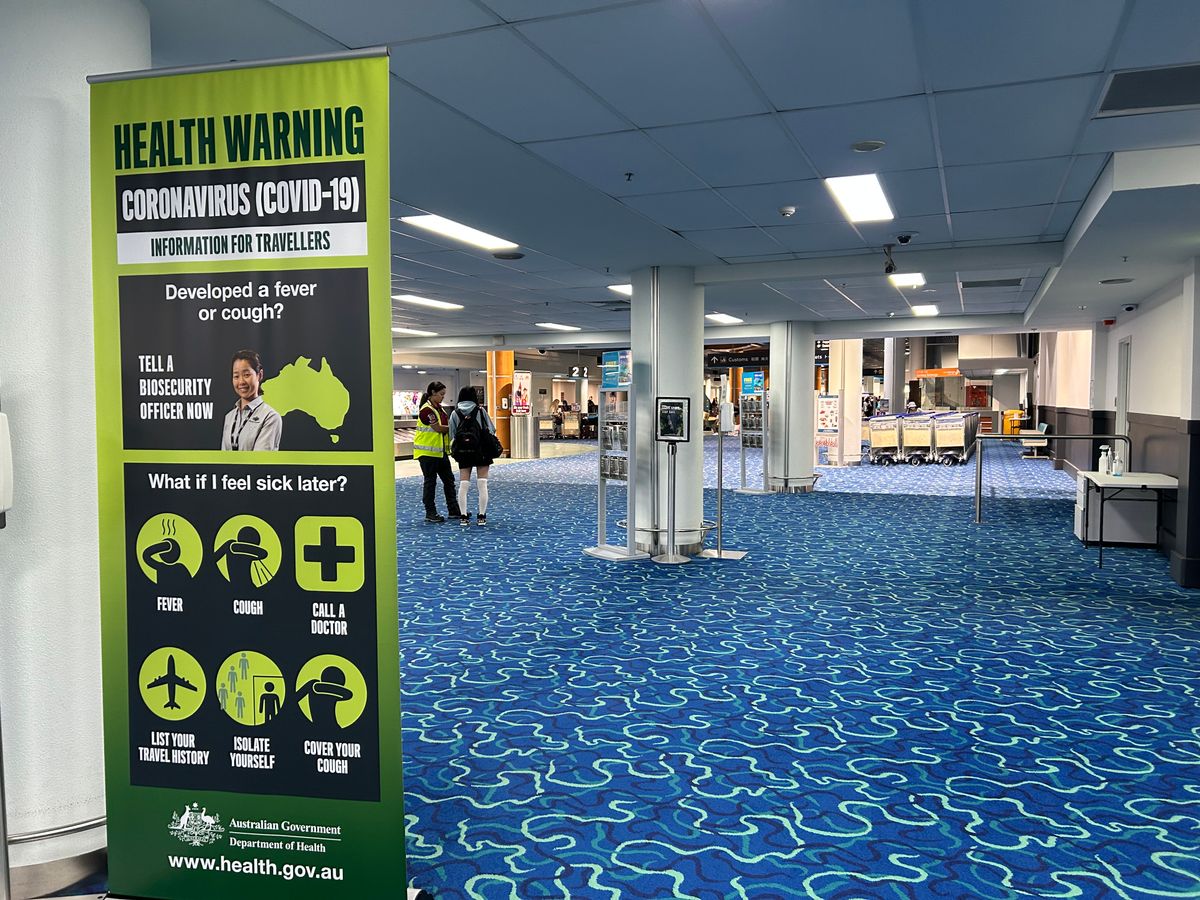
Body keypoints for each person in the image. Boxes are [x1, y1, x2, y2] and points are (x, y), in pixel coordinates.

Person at [413, 381, 463, 523]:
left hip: (440, 453)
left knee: (449, 481)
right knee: (430, 483)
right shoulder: (426, 410)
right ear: (433, 393)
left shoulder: (439, 409)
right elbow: (438, 428)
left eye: (444, 394)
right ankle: (430, 512)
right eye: (441, 394)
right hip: (427, 454)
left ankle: (453, 510)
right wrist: (457, 429)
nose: (443, 397)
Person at [448, 386, 497, 526]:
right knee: (482, 484)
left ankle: (463, 516)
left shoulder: (455, 413)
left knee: (463, 484)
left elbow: (452, 434)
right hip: (482, 451)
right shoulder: (480, 411)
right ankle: (481, 516)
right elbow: (492, 429)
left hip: (463, 452)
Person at [221, 350, 281, 451]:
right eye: (236, 376)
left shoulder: (270, 417)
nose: (241, 381)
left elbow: (260, 459)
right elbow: (223, 456)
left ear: (259, 375)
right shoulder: (229, 417)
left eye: (246, 375)